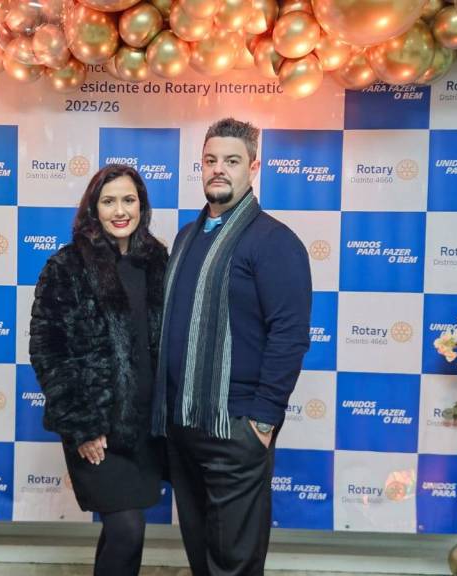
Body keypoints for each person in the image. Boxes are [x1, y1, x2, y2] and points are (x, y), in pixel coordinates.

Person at [153, 118, 312, 575]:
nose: (218, 169)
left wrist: (262, 421)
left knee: (234, 563)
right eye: (210, 160)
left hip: (236, 428)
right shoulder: (187, 235)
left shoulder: (274, 241)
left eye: (231, 160)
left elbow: (289, 335)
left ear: (253, 167)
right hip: (183, 425)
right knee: (201, 555)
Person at [29, 164, 168, 576]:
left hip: (145, 428)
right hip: (98, 428)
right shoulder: (67, 266)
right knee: (127, 528)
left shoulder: (157, 261)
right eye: (109, 201)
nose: (120, 211)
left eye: (129, 200)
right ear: (93, 208)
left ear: (142, 206)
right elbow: (48, 352)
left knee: (124, 531)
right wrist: (83, 426)